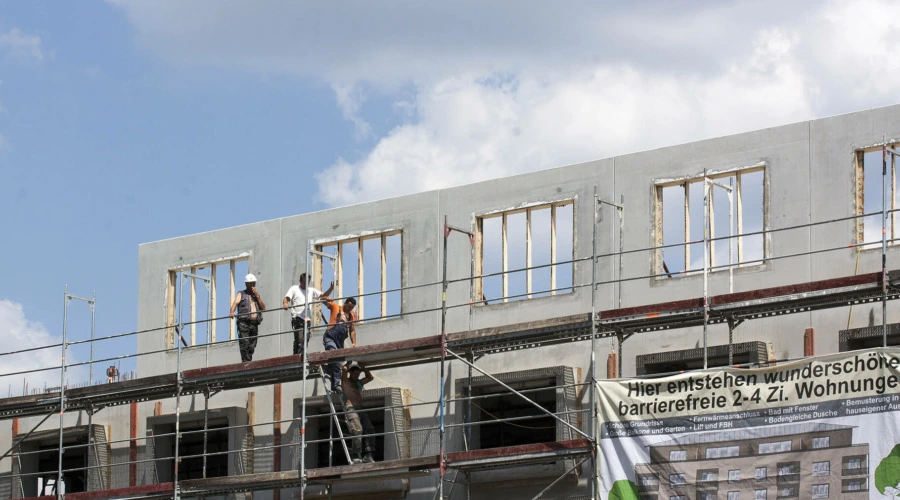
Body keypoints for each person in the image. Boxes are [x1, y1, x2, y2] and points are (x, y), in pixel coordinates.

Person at [283, 274, 334, 357]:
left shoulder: (311, 290)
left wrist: (331, 288)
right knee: (299, 339)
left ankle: (301, 356)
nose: (306, 284)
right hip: (297, 318)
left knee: (305, 339)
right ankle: (297, 357)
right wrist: (285, 303)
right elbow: (287, 298)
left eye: (307, 282)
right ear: (300, 281)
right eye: (304, 282)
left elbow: (323, 296)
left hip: (307, 319)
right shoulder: (294, 288)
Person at [341, 361, 375, 463]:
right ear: (351, 373)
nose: (357, 376)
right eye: (355, 374)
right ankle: (356, 454)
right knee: (357, 429)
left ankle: (368, 454)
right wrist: (348, 362)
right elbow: (344, 370)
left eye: (358, 374)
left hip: (360, 408)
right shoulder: (346, 381)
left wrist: (364, 368)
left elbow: (370, 378)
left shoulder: (358, 382)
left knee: (369, 428)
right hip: (350, 407)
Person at [321, 295, 357, 392]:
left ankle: (335, 385)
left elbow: (352, 330)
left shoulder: (351, 316)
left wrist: (353, 343)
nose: (349, 309)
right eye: (348, 306)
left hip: (340, 341)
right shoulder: (336, 307)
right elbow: (323, 301)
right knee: (333, 353)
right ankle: (328, 371)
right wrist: (326, 298)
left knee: (339, 363)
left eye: (351, 308)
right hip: (330, 336)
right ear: (345, 303)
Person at [229, 273, 266, 362]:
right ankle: (246, 362)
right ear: (246, 284)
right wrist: (231, 312)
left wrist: (257, 296)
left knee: (252, 345)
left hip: (254, 323)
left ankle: (248, 359)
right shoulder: (241, 294)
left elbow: (263, 307)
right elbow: (235, 303)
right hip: (244, 322)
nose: (252, 285)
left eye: (253, 283)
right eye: (250, 283)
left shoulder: (256, 296)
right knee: (244, 343)